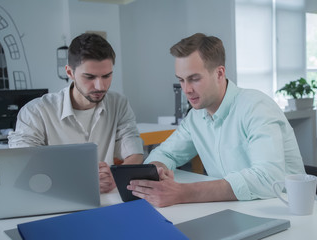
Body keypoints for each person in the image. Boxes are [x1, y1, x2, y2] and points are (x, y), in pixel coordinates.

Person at [127, 33, 305, 207]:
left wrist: (183, 193)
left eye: (194, 79)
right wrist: (157, 170)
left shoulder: (256, 107)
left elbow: (267, 178)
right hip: (236, 210)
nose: (186, 89)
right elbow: (165, 153)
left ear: (220, 73)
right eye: (181, 80)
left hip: (287, 211)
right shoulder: (196, 117)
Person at [8, 33, 144, 193]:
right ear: (70, 72)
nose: (100, 86)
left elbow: (135, 152)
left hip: (104, 199)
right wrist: (81, 179)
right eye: (90, 77)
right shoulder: (35, 111)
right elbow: (22, 166)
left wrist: (116, 176)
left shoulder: (118, 103)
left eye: (107, 76)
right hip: (54, 196)